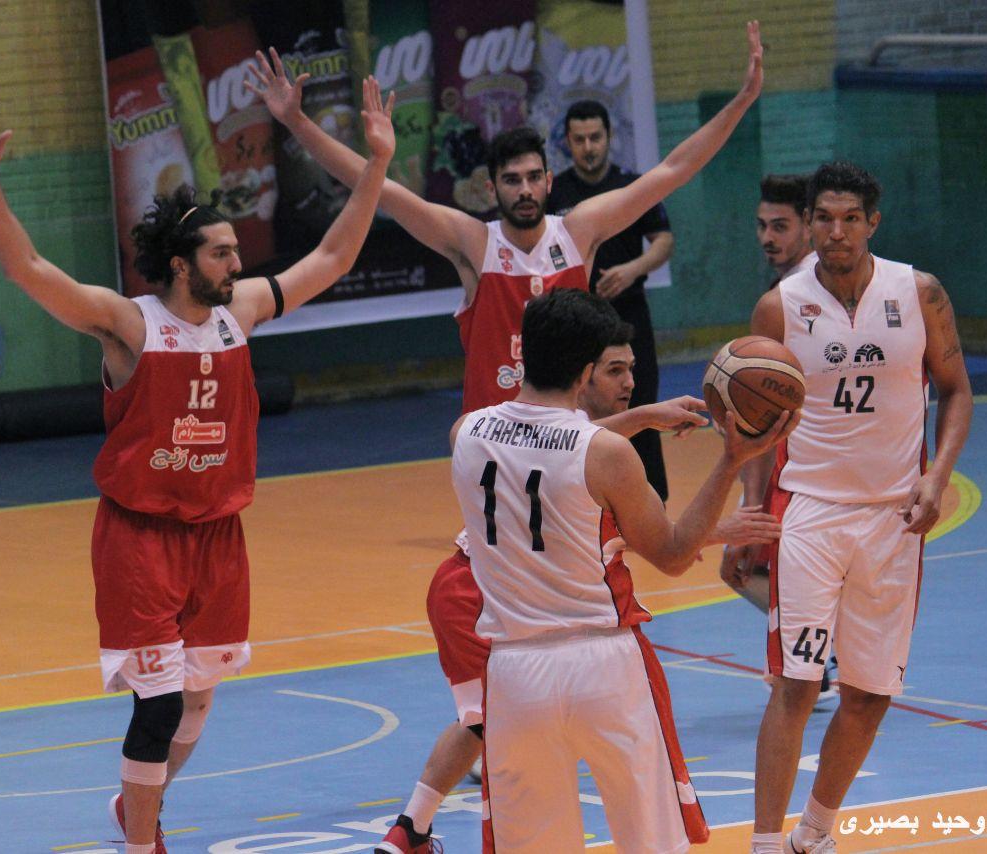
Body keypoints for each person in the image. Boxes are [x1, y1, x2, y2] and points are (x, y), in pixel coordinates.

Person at [247, 21, 766, 854]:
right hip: (518, 458)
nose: (524, 189)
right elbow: (378, 190)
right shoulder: (472, 243)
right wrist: (299, 122)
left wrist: (740, 101)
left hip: (561, 465)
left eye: (534, 176)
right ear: (491, 188)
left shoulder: (578, 229)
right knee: (603, 606)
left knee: (539, 663)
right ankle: (451, 802)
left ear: (549, 180)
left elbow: (673, 169)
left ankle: (420, 819)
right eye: (511, 179)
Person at [0, 86, 395, 854]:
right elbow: (28, 268)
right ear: (182, 264)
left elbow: (333, 258)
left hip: (219, 536)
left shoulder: (240, 313)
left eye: (235, 251)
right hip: (141, 538)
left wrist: (377, 162)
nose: (237, 262)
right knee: (154, 708)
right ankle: (143, 843)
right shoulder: (129, 326)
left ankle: (138, 812)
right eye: (222, 252)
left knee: (195, 706)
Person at [449, 289, 796, 853]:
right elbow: (674, 554)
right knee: (650, 842)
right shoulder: (606, 455)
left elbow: (541, 437)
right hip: (603, 666)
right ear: (588, 371)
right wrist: (732, 458)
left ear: (524, 352)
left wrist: (641, 417)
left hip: (514, 673)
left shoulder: (466, 433)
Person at [744, 161, 972, 854]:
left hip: (895, 517)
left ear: (873, 223)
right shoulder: (780, 306)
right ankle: (762, 844)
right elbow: (754, 420)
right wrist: (752, 510)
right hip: (809, 512)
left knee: (870, 693)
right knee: (796, 684)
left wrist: (936, 477)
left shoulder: (920, 292)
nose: (836, 232)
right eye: (824, 218)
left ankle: (814, 833)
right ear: (810, 224)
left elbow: (956, 390)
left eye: (850, 219)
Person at [549, 99, 675, 503]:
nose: (588, 147)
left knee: (639, 403)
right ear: (568, 142)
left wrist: (632, 269)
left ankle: (652, 502)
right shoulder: (555, 193)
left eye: (595, 138)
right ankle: (586, 500)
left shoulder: (630, 187)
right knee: (579, 411)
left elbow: (663, 240)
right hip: (579, 326)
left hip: (629, 316)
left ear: (609, 137)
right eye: (580, 139)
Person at [721, 173, 816, 613]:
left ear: (808, 226)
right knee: (757, 577)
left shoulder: (792, 299)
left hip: (801, 469)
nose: (767, 238)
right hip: (801, 465)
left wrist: (753, 507)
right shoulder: (797, 289)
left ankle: (820, 652)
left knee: (749, 572)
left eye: (780, 226)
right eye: (762, 226)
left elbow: (762, 411)